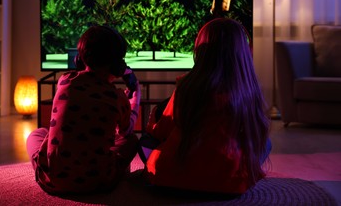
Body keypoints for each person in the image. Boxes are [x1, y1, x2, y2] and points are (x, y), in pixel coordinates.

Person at [139, 18, 271, 194]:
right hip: (228, 185)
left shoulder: (186, 87)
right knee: (266, 144)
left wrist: (153, 121)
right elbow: (254, 135)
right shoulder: (248, 92)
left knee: (145, 141)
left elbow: (162, 132)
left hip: (172, 181)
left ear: (201, 51)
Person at [26, 26, 141, 195]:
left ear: (79, 60)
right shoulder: (117, 98)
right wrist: (135, 96)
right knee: (131, 140)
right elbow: (125, 131)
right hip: (98, 183)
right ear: (118, 65)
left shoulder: (65, 82)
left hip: (53, 180)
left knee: (36, 134)